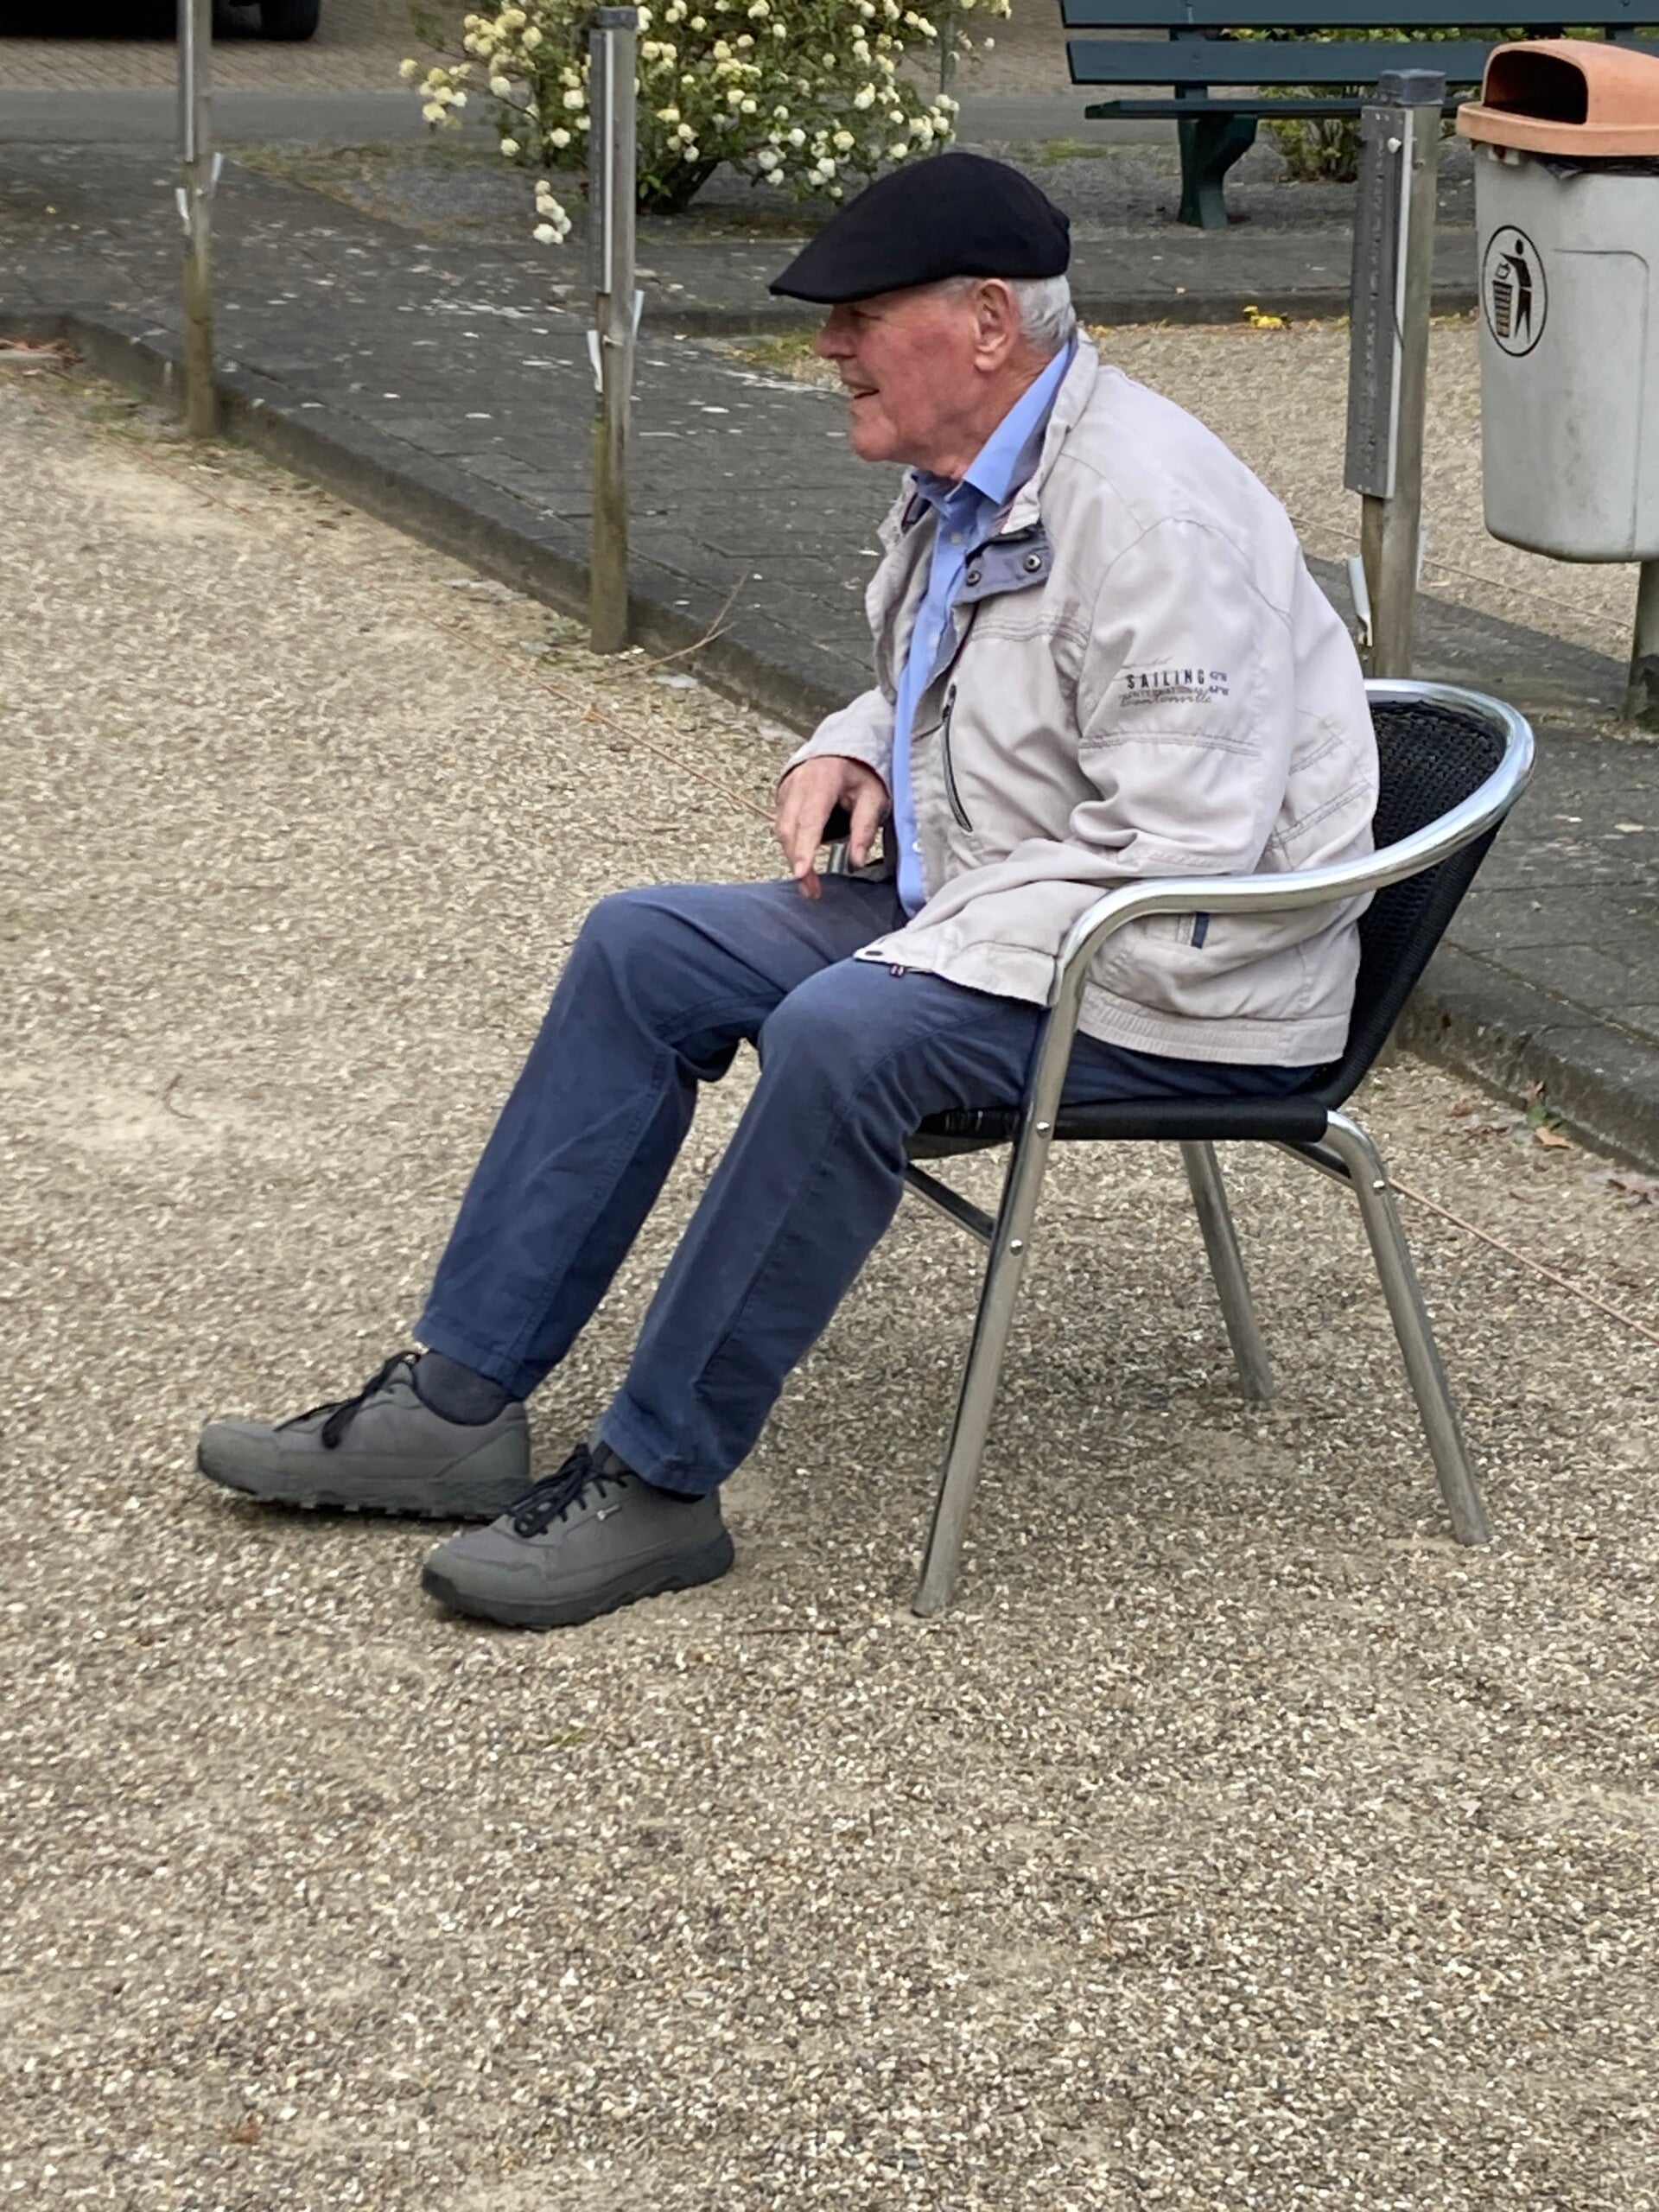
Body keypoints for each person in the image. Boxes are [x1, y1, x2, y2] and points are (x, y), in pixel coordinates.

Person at [198, 153, 1377, 1631]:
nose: (827, 346)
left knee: (843, 1029)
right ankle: (453, 1409)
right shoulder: (975, 474)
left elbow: (1182, 851)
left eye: (858, 314)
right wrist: (855, 742)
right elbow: (960, 677)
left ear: (988, 323)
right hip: (1009, 909)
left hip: (1174, 979)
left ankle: (658, 1480)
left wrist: (915, 954)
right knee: (643, 946)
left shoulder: (1154, 516)